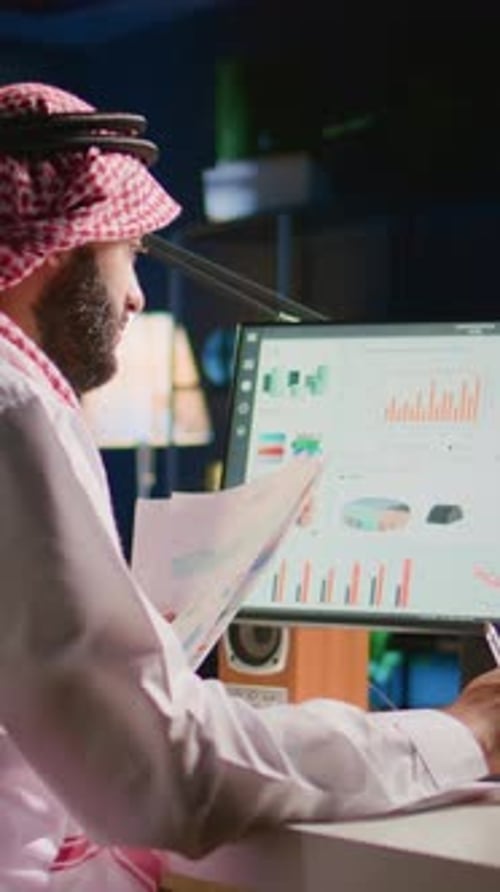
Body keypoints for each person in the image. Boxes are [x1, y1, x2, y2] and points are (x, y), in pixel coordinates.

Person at [0, 80, 499, 892]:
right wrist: (464, 731)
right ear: (56, 243)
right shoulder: (12, 401)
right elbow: (166, 777)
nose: (133, 296)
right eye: (124, 251)